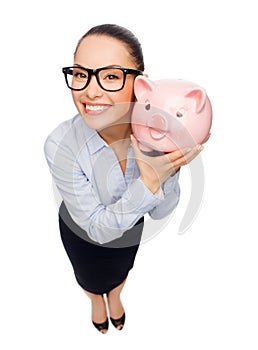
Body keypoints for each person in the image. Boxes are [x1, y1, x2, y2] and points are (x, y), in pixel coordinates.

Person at [44, 24, 203, 334]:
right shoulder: (59, 143)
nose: (90, 90)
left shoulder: (160, 135)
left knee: (120, 271)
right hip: (81, 233)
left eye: (111, 76)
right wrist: (147, 184)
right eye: (80, 74)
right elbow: (95, 228)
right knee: (88, 277)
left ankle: (115, 296)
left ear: (140, 85)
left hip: (129, 230)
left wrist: (164, 170)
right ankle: (95, 300)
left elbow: (159, 212)